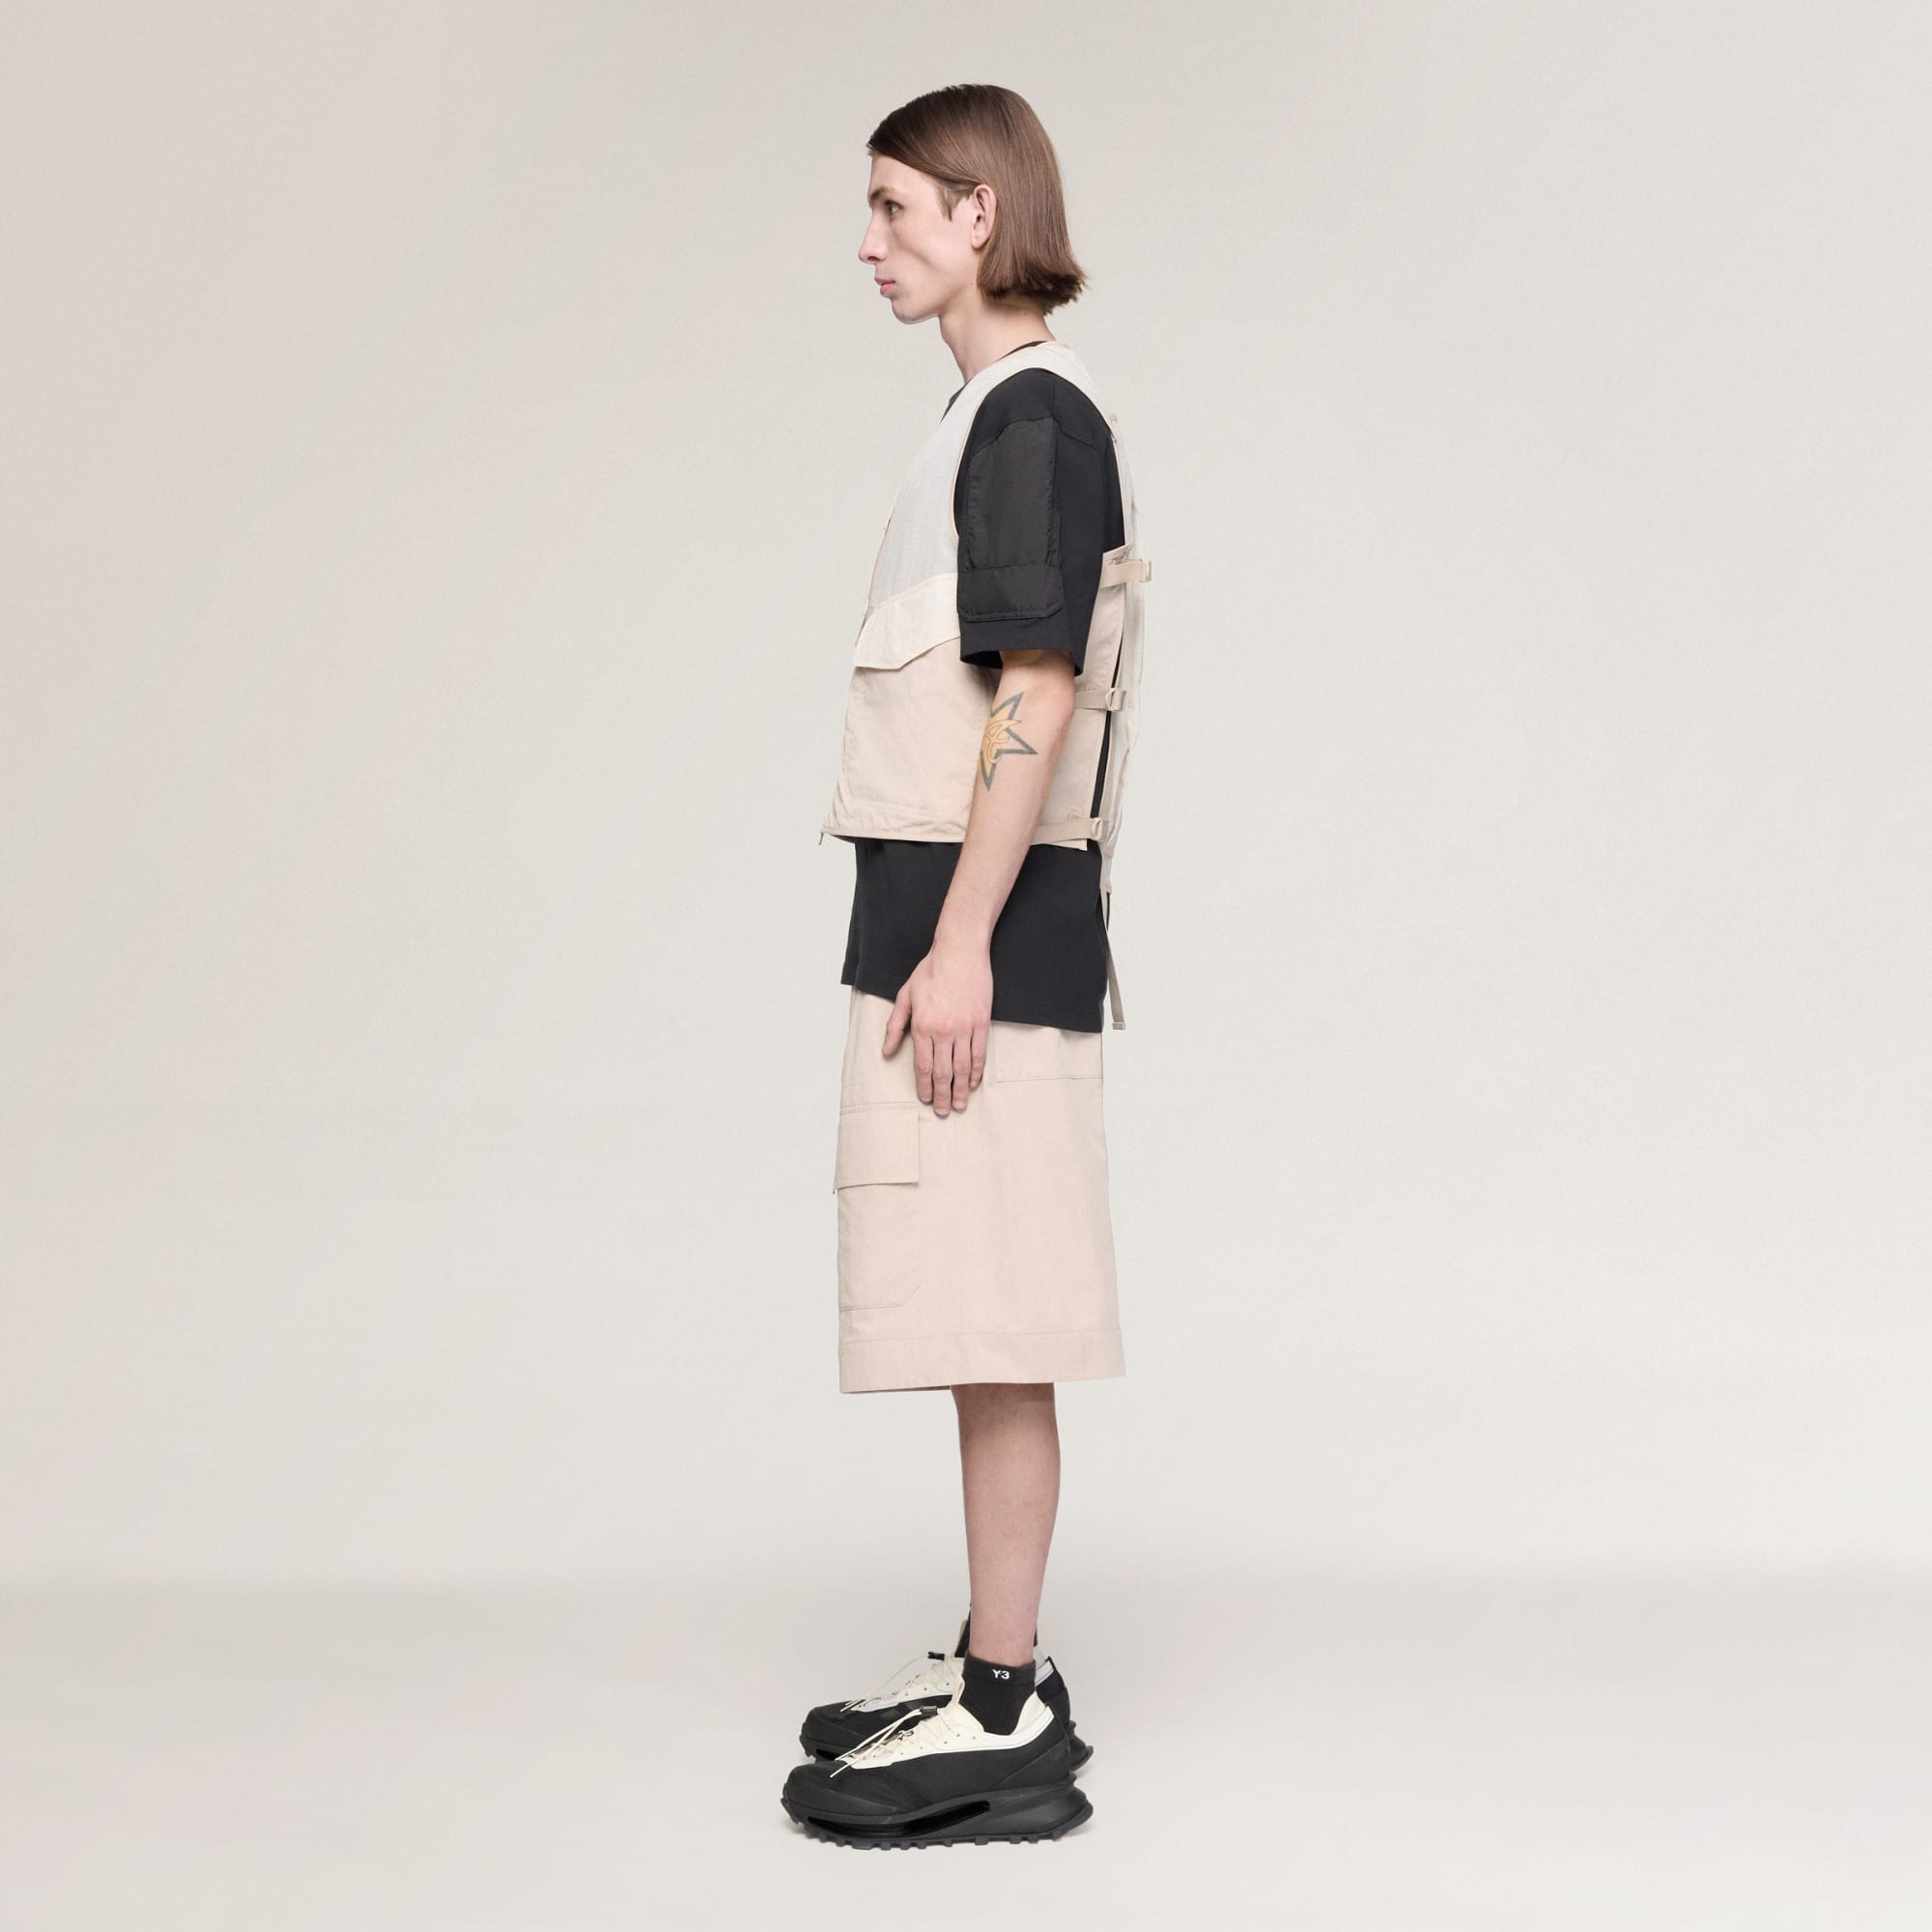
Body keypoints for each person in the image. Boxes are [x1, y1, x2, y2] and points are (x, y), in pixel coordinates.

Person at [781, 83, 1151, 1851]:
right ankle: (998, 1668)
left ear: (979, 213)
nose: (868, 242)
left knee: (998, 1325)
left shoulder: (1031, 421)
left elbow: (1039, 694)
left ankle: (1003, 1710)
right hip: (958, 945)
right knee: (975, 1320)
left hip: (980, 954)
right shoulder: (986, 422)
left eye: (893, 207)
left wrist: (955, 953)